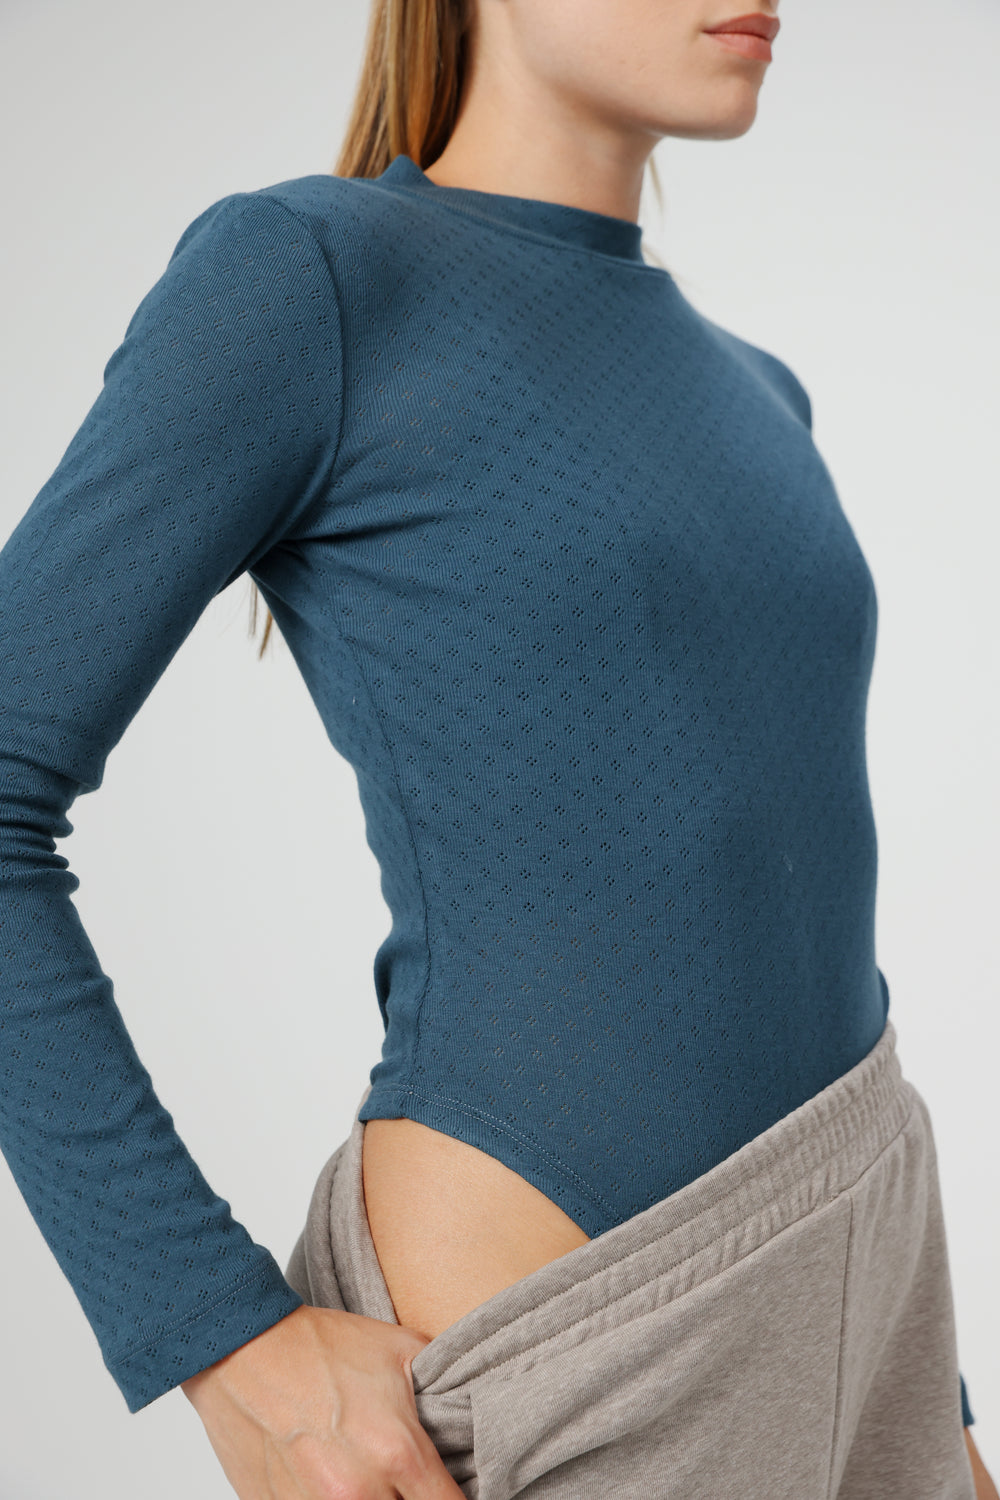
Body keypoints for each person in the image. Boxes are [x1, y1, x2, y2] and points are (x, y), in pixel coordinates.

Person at [0, 0, 994, 1496]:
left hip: (880, 1307)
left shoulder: (763, 393)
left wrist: (934, 1401)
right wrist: (218, 1334)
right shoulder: (314, 279)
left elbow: (786, 897)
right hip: (579, 1348)